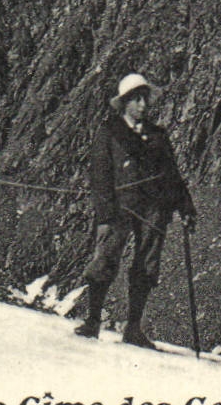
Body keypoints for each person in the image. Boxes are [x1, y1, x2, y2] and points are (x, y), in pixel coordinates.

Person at [73, 73, 197, 348]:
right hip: (119, 208)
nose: (143, 105)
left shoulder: (158, 136)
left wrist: (186, 207)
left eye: (145, 99)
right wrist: (105, 215)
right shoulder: (109, 133)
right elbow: (100, 176)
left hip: (153, 208)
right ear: (124, 103)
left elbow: (172, 175)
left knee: (147, 265)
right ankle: (92, 321)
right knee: (105, 259)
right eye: (136, 99)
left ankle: (133, 328)